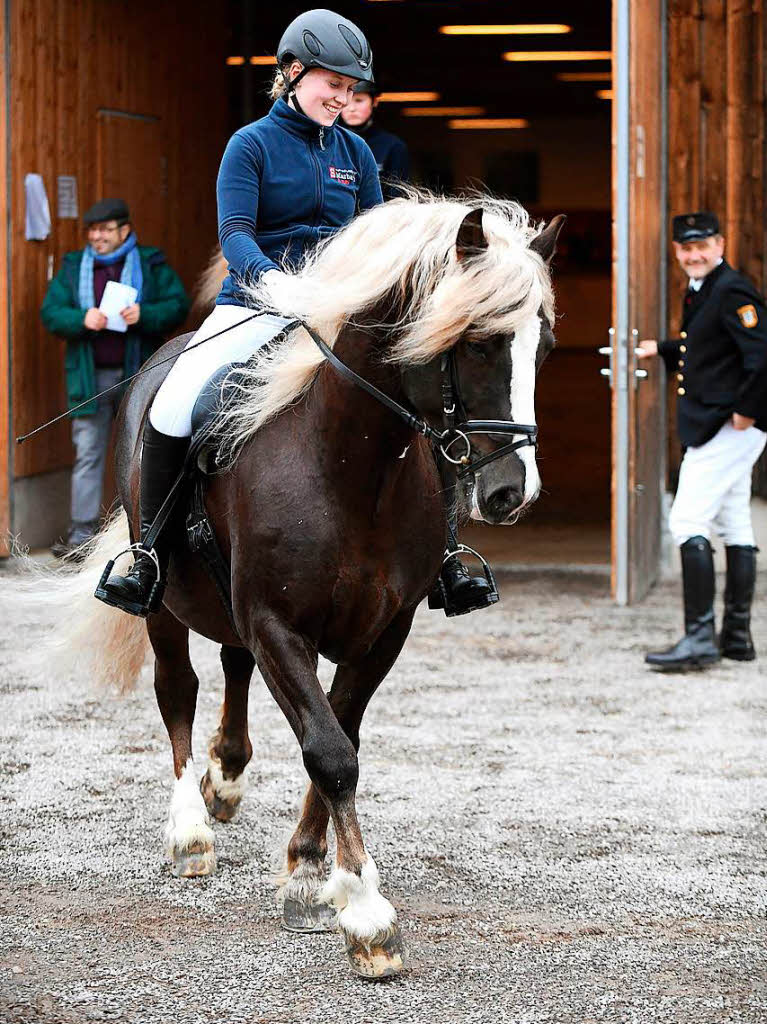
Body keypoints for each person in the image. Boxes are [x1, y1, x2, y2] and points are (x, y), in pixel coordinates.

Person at [97, 9, 493, 619]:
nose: (342, 97)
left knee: (422, 393)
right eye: (331, 84)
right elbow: (235, 233)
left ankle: (446, 555)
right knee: (176, 401)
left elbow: (372, 236)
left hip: (336, 313)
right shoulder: (249, 145)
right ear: (291, 73)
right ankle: (148, 554)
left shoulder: (356, 152)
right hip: (259, 303)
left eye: (350, 88)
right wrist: (275, 284)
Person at [637, 211, 767, 670]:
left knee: (688, 520)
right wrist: (664, 349)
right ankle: (736, 637)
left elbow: (760, 355)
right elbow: (706, 347)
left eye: (702, 247)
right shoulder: (706, 289)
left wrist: (746, 411)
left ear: (721, 245)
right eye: (686, 249)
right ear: (677, 252)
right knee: (735, 524)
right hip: (723, 425)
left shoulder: (732, 289)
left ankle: (699, 640)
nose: (694, 255)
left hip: (727, 426)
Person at [41, 198, 189, 558]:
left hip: (137, 377)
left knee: (140, 454)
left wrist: (145, 314)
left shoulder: (151, 263)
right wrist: (81, 319)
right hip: (89, 380)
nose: (97, 236)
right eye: (92, 230)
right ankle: (81, 537)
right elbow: (51, 312)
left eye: (105, 229)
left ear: (124, 230)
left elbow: (178, 305)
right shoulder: (75, 267)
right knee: (89, 453)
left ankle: (137, 531)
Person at [340, 81, 410, 200]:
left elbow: (397, 198)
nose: (351, 108)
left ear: (375, 102)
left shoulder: (393, 146)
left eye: (359, 100)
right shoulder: (325, 141)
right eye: (347, 100)